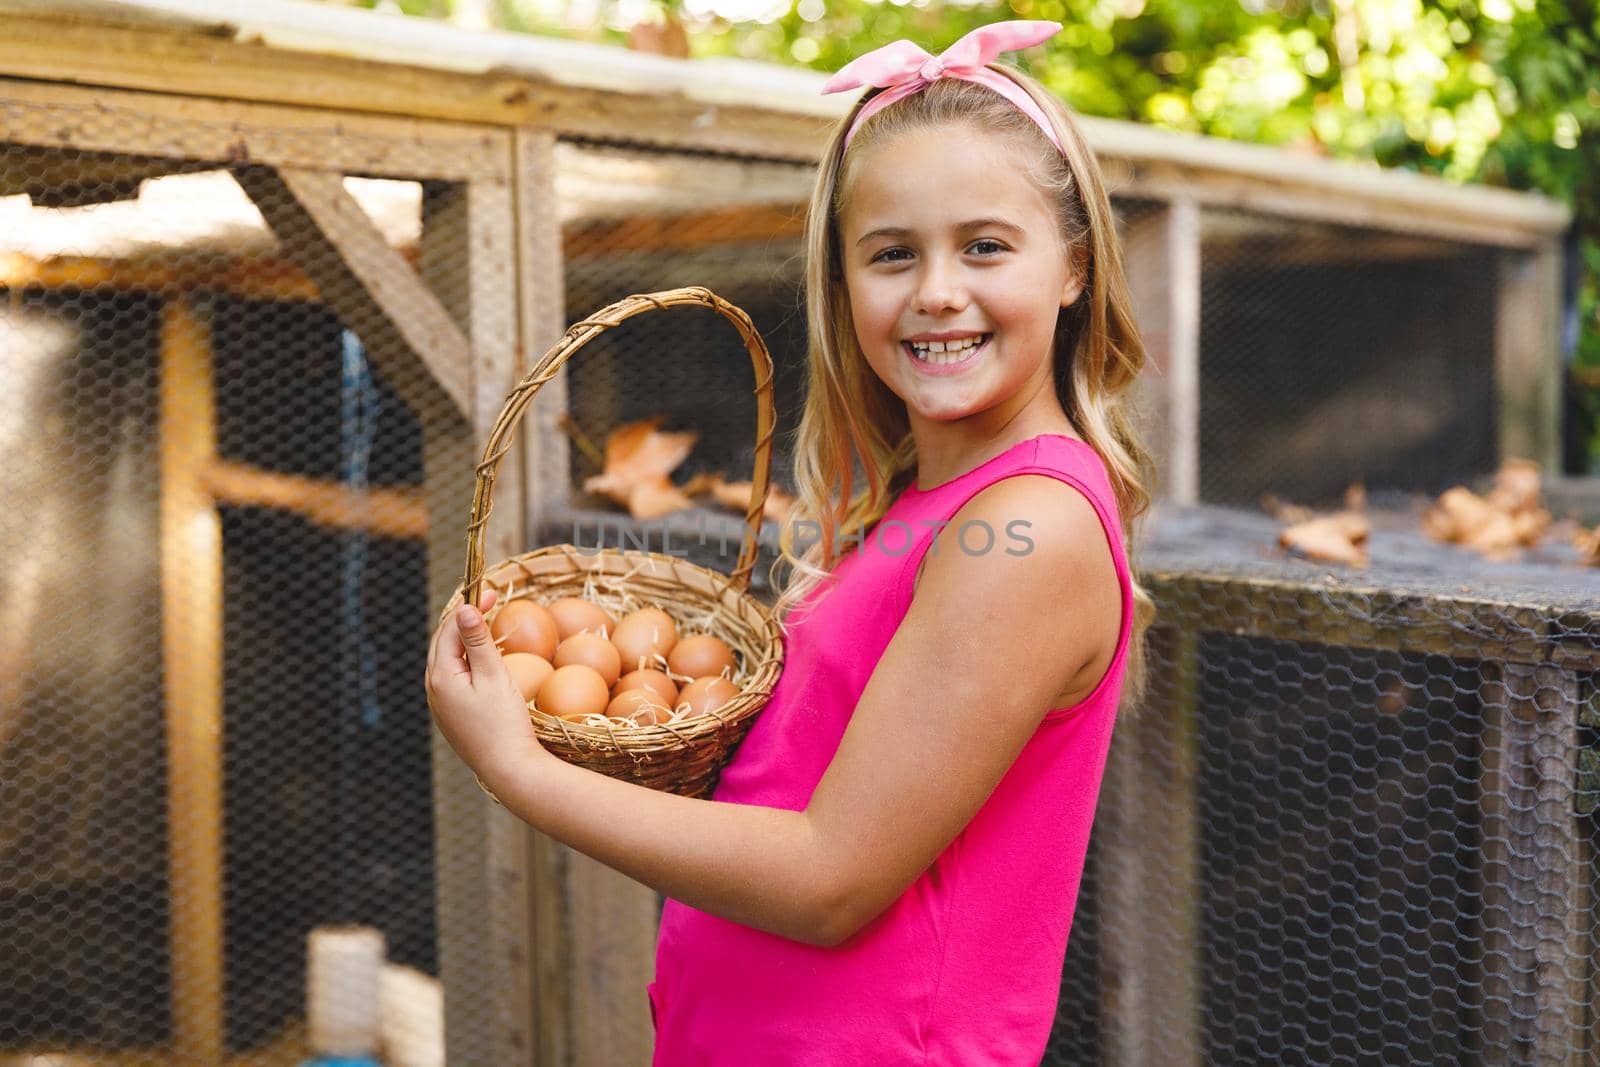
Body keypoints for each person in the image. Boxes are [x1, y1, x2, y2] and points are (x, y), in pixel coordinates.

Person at [425, 18, 1157, 1065]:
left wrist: (519, 767)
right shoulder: (934, 505)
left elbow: (830, 876)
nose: (936, 290)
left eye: (985, 245)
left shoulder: (1024, 526)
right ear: (843, 282)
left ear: (1074, 266)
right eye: (892, 253)